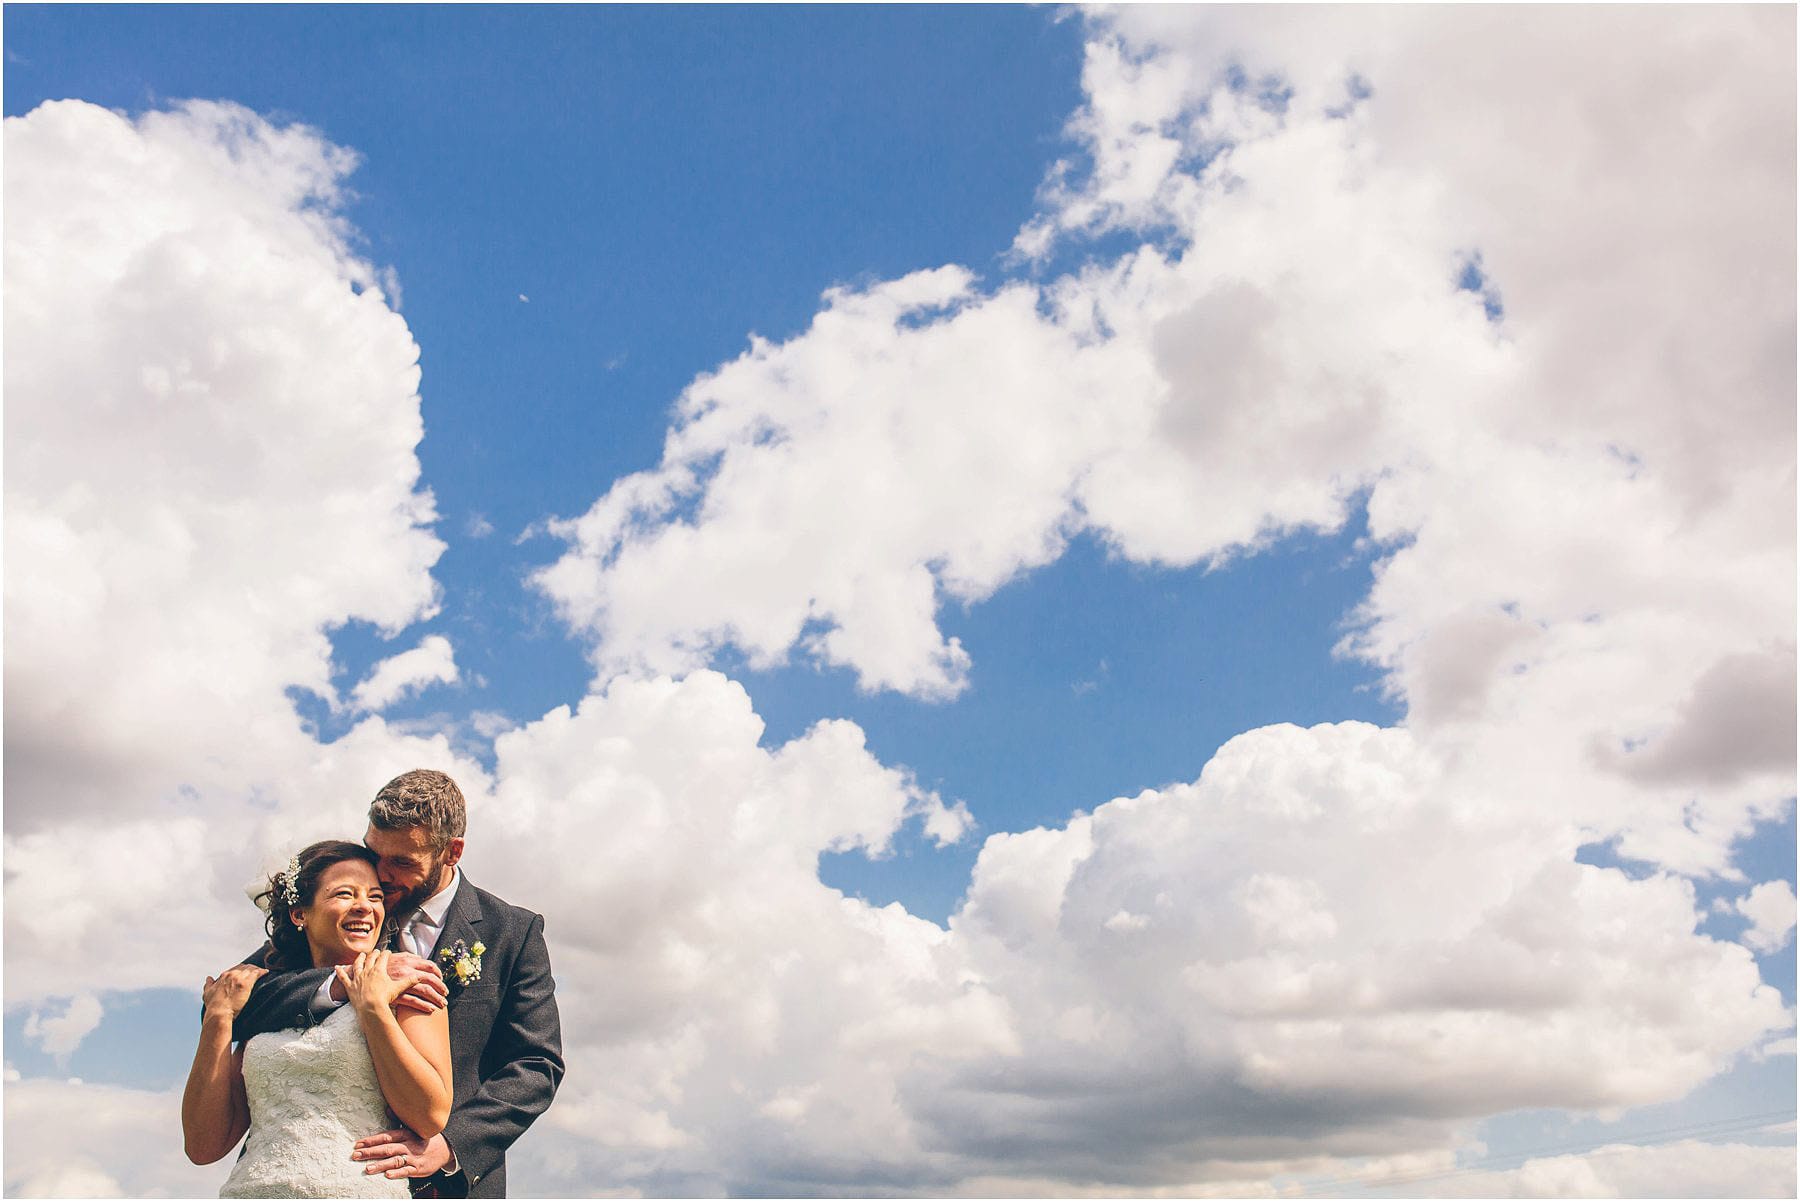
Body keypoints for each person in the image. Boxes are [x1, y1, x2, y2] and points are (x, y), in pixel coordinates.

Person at [232, 770, 563, 1198]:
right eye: (376, 853)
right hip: (320, 1171)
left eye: (402, 862)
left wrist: (450, 1146)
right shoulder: (346, 909)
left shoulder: (512, 933)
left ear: (452, 851)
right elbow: (231, 1001)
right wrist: (341, 982)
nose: (382, 876)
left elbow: (536, 1065)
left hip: (447, 1186)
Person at [184, 840, 453, 1198]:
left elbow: (429, 1115)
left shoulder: (406, 983)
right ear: (300, 914)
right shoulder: (266, 1000)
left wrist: (372, 1008)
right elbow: (203, 1147)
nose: (364, 908)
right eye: (344, 894)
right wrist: (218, 1020)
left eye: (374, 897)